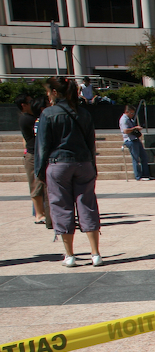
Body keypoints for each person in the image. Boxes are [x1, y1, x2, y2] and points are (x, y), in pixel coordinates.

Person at [35, 76, 102, 267]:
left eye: (48, 92)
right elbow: (91, 143)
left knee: (61, 207)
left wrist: (39, 171)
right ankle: (95, 253)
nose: (48, 95)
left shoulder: (48, 114)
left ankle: (70, 255)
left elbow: (42, 146)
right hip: (84, 163)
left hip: (58, 164)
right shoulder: (83, 113)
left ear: (55, 92)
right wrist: (92, 165)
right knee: (87, 205)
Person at [17, 94, 48, 226]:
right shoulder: (27, 119)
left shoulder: (32, 118)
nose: (32, 104)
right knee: (36, 184)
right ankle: (39, 214)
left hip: (36, 153)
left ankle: (42, 212)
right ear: (23, 105)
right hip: (33, 154)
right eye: (30, 102)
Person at [119, 104, 153, 181]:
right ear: (127, 112)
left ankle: (145, 174)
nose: (132, 115)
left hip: (135, 139)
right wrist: (135, 128)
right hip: (130, 140)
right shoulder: (124, 119)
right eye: (132, 113)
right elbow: (125, 131)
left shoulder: (129, 119)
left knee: (144, 157)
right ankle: (138, 176)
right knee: (135, 159)